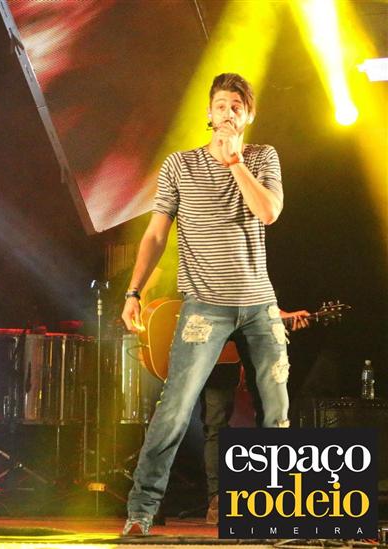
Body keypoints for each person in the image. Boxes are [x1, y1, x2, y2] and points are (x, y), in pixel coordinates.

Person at [120, 73, 290, 535]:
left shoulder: (262, 157)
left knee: (275, 412)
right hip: (204, 306)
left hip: (258, 304)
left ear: (248, 115)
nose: (228, 112)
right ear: (208, 114)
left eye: (237, 105)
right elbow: (156, 234)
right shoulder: (180, 165)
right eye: (221, 105)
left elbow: (268, 212)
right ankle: (140, 512)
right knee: (175, 409)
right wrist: (134, 291)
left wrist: (236, 163)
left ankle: (278, 513)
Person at [201, 310, 309, 525]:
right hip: (214, 343)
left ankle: (270, 498)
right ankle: (218, 501)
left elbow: (261, 303)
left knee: (269, 417)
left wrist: (282, 316)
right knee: (216, 423)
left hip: (248, 346)